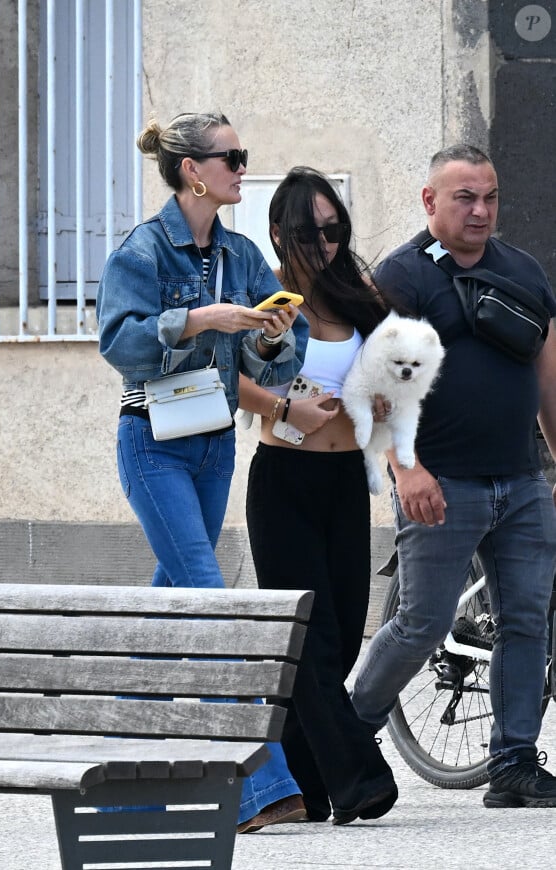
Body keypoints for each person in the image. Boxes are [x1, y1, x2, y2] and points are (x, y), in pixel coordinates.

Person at [96, 112, 310, 832]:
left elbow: (276, 356)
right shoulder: (144, 250)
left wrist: (274, 337)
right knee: (213, 602)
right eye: (232, 157)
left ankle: (117, 767)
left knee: (172, 609)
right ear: (192, 169)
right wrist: (197, 321)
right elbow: (119, 342)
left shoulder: (243, 253)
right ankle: (264, 787)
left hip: (215, 442)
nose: (242, 168)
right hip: (153, 442)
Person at [351, 144, 556, 808]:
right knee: (422, 621)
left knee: (527, 620)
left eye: (490, 196)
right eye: (465, 197)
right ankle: (347, 734)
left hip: (521, 481)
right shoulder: (403, 278)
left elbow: (547, 375)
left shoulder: (522, 271)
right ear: (430, 201)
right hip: (441, 483)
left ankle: (514, 763)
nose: (480, 210)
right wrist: (405, 469)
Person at [239, 166, 399, 825]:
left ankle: (302, 783)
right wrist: (284, 409)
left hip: (343, 486)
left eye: (335, 230)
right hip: (284, 485)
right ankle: (361, 777)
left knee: (344, 634)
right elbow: (226, 378)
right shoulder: (263, 301)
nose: (327, 243)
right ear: (279, 232)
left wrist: (384, 403)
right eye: (312, 231)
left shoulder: (359, 295)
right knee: (314, 639)